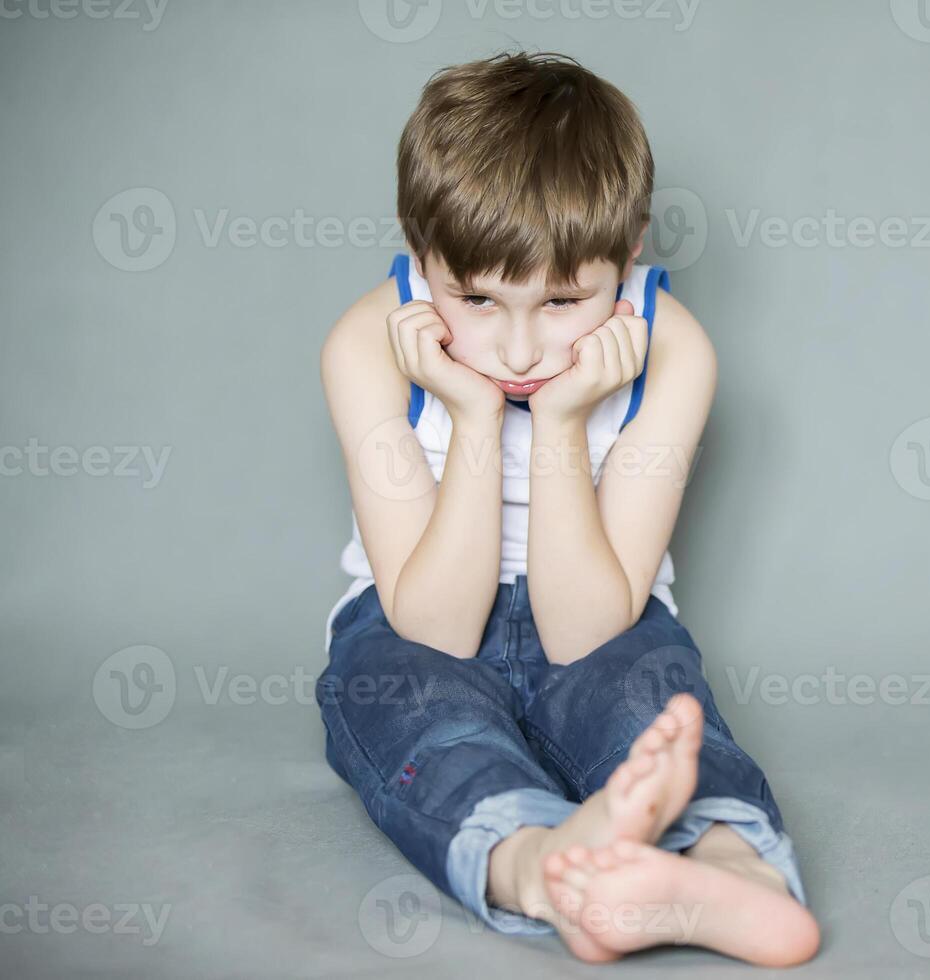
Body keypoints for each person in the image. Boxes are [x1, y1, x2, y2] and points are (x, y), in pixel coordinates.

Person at [315, 50, 820, 966]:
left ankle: (731, 868)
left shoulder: (676, 352)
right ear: (418, 251)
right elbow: (432, 621)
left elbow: (589, 625)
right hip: (411, 622)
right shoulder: (364, 343)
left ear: (628, 254)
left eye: (563, 301)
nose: (515, 349)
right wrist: (471, 418)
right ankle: (544, 863)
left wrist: (559, 421)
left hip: (601, 613)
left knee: (648, 707)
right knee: (422, 717)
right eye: (472, 298)